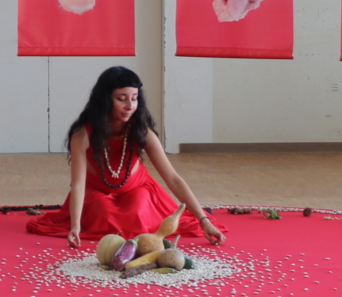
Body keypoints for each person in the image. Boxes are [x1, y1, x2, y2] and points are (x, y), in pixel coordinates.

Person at [27, 66, 225, 248]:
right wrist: (76, 226)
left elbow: (173, 178)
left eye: (135, 98)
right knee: (102, 217)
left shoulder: (142, 131)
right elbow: (78, 184)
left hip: (137, 188)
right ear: (105, 100)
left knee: (138, 214)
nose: (130, 105)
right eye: (121, 98)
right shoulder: (83, 134)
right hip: (95, 190)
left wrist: (203, 220)